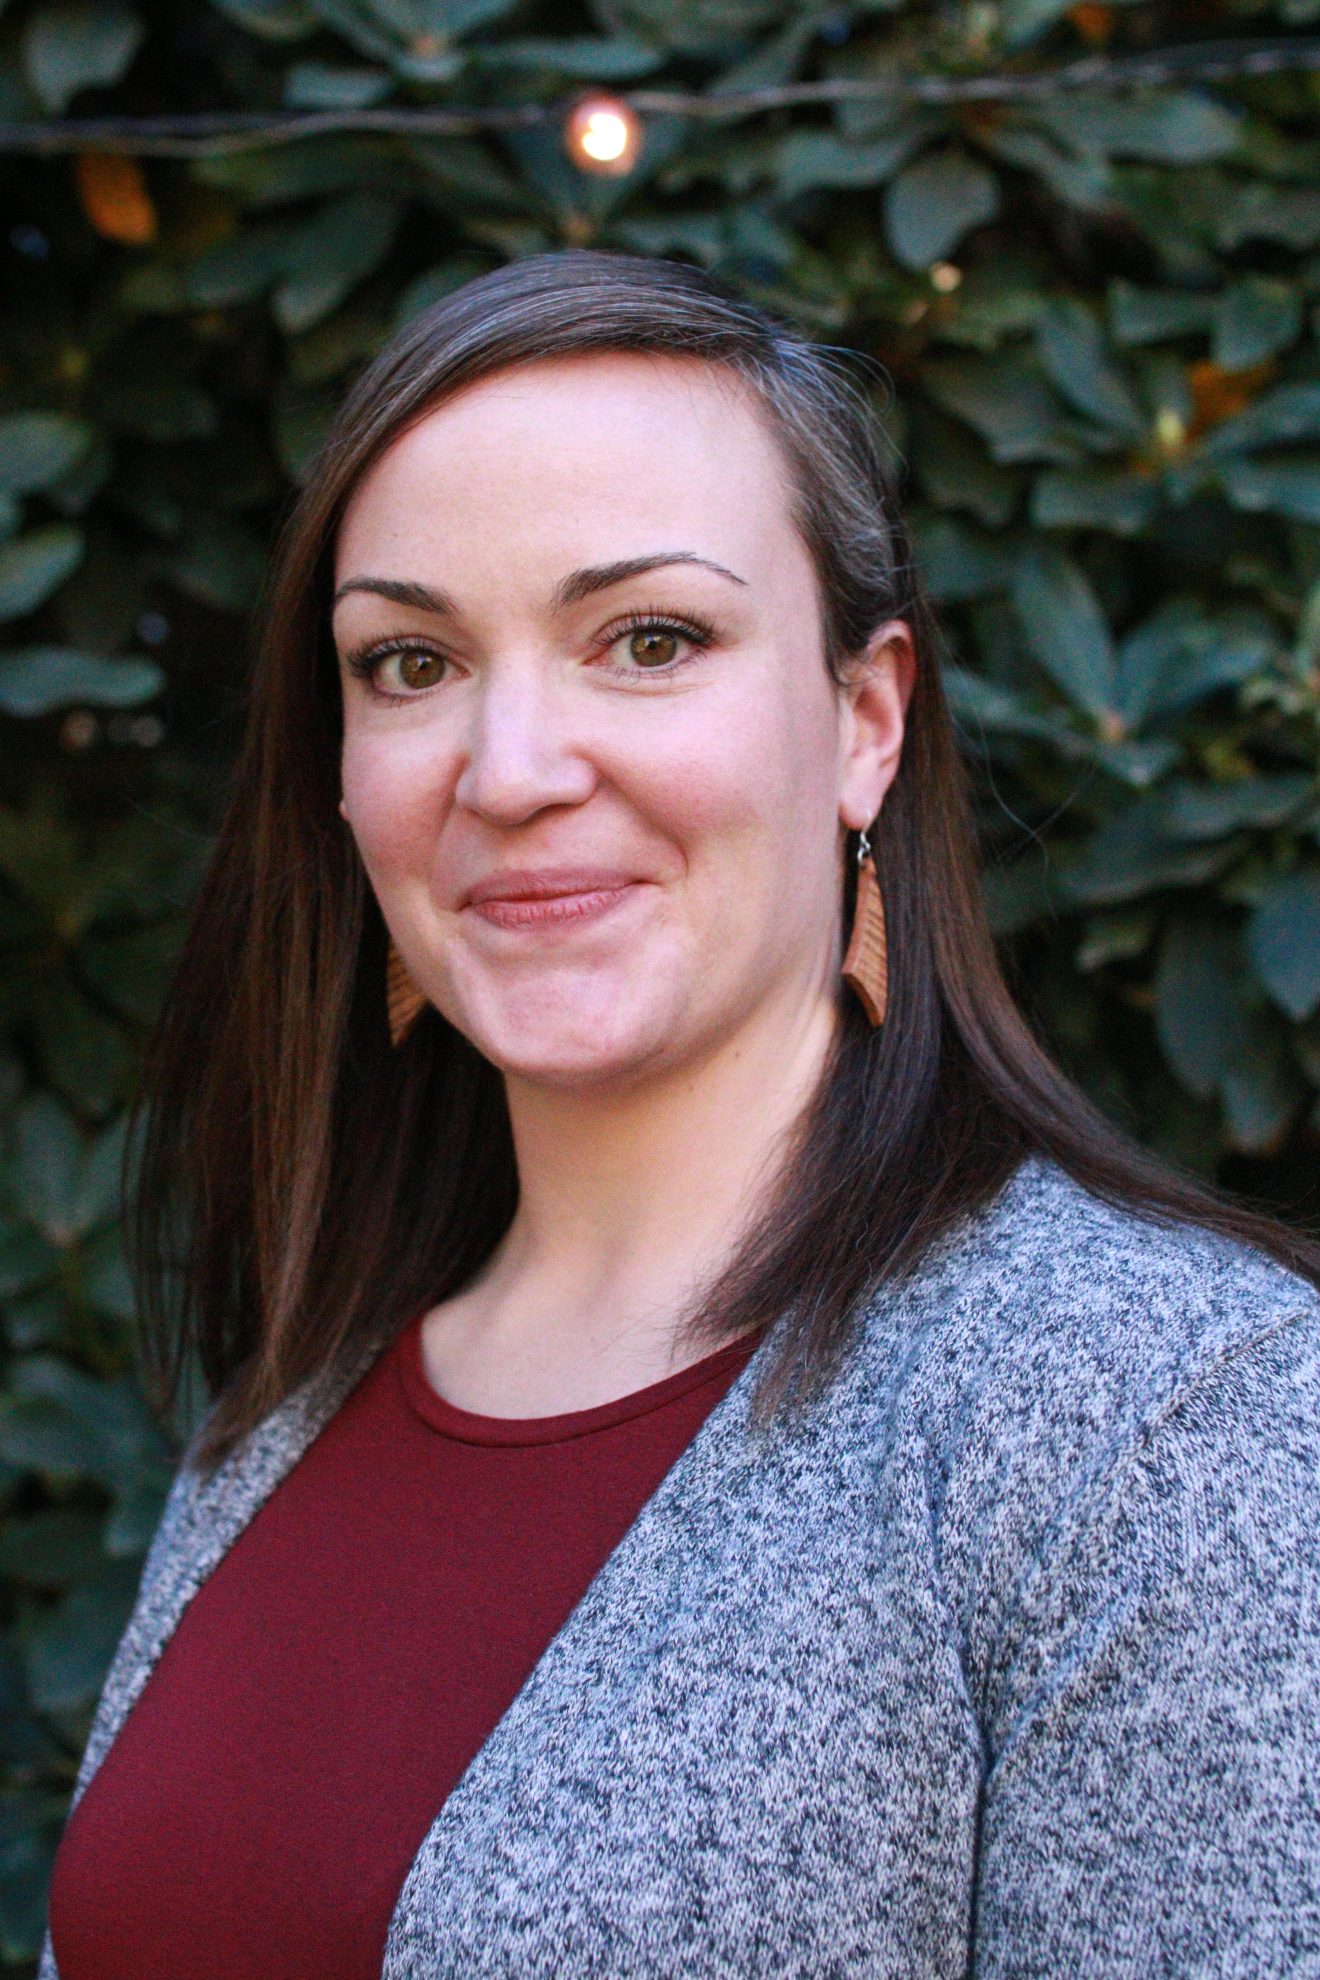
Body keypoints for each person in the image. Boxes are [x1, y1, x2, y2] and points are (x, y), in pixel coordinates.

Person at [40, 250, 1320, 1979]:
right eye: (408, 662)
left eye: (648, 640)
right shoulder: (291, 1400)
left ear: (863, 719)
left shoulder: (1160, 1423)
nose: (507, 769)